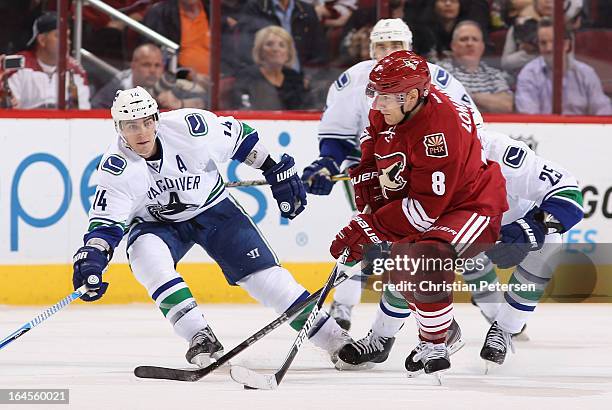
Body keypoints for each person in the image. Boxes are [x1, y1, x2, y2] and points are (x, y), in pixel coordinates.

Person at [71, 86, 351, 367]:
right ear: (118, 128)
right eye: (131, 126)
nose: (142, 132)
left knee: (267, 281)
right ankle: (199, 335)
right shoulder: (116, 167)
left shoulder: (189, 128)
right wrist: (93, 259)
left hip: (214, 210)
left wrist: (271, 167)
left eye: (147, 121)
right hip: (156, 224)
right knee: (147, 259)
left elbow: (240, 139)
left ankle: (336, 340)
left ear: (157, 118)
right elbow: (106, 227)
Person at [335, 128, 584, 370]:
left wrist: (532, 228)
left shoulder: (499, 151)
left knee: (549, 244)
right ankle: (382, 337)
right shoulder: (414, 152)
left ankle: (505, 329)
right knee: (410, 257)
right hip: (458, 227)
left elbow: (568, 192)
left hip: (509, 227)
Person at [328, 50, 508, 375]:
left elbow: (424, 211)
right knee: (401, 268)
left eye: (385, 98)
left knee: (425, 257)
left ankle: (436, 341)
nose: (377, 104)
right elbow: (373, 139)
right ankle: (410, 336)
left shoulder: (440, 131)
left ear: (411, 96)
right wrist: (368, 180)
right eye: (375, 94)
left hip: (469, 203)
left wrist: (370, 226)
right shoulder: (392, 106)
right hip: (425, 197)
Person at [301, 18, 481, 332]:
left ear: (409, 47)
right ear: (370, 49)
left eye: (395, 45)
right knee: (365, 233)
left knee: (429, 241)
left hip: (427, 169)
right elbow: (339, 133)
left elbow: (471, 128)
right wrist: (328, 163)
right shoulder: (356, 78)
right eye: (381, 45)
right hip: (374, 169)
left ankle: (492, 314)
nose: (388, 52)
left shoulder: (437, 78)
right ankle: (344, 307)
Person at [515, 17, 612, 115]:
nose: (548, 48)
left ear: (566, 44)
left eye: (554, 42)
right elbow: (529, 118)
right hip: (543, 129)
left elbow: (603, 113)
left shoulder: (586, 73)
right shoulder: (528, 74)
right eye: (543, 43)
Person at [5, 12, 90, 109]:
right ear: (42, 40)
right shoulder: (15, 65)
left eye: (68, 36)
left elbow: (82, 113)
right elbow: (9, 110)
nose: (67, 41)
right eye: (59, 36)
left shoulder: (75, 70)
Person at [91, 43, 207, 109]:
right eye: (146, 65)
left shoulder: (166, 84)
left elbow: (207, 101)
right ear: (133, 65)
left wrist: (179, 103)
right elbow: (95, 108)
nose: (152, 70)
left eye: (157, 65)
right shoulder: (117, 87)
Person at [439, 20, 513, 113]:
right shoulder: (441, 71)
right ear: (453, 46)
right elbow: (442, 104)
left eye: (475, 39)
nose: (470, 44)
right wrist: (487, 102)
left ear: (482, 47)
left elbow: (506, 106)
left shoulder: (493, 74)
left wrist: (468, 96)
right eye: (464, 39)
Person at [231, 25, 311, 110]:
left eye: (282, 45)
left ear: (288, 53)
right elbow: (243, 109)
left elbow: (305, 109)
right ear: (260, 51)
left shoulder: (294, 78)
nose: (276, 49)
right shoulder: (247, 77)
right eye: (269, 44)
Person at [143, 0, 211, 84]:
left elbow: (226, 52)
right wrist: (187, 75)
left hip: (217, 80)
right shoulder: (161, 13)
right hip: (179, 80)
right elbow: (155, 54)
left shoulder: (212, 11)